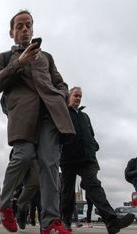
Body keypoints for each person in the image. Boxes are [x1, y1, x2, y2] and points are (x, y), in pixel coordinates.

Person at [0, 10, 76, 234]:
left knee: (49, 163)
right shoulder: (3, 58)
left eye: (28, 25)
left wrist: (61, 95)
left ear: (33, 28)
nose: (25, 29)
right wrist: (19, 62)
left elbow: (60, 82)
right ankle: (4, 203)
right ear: (11, 32)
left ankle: (50, 224)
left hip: (50, 115)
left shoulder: (46, 57)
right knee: (24, 155)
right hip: (23, 116)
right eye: (20, 26)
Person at [59, 87, 135, 234]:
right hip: (68, 158)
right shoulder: (63, 113)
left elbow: (92, 135)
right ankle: (66, 221)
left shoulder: (85, 116)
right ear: (69, 96)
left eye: (80, 96)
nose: (78, 98)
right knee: (67, 191)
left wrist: (94, 147)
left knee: (94, 186)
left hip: (87, 159)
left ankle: (112, 222)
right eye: (76, 95)